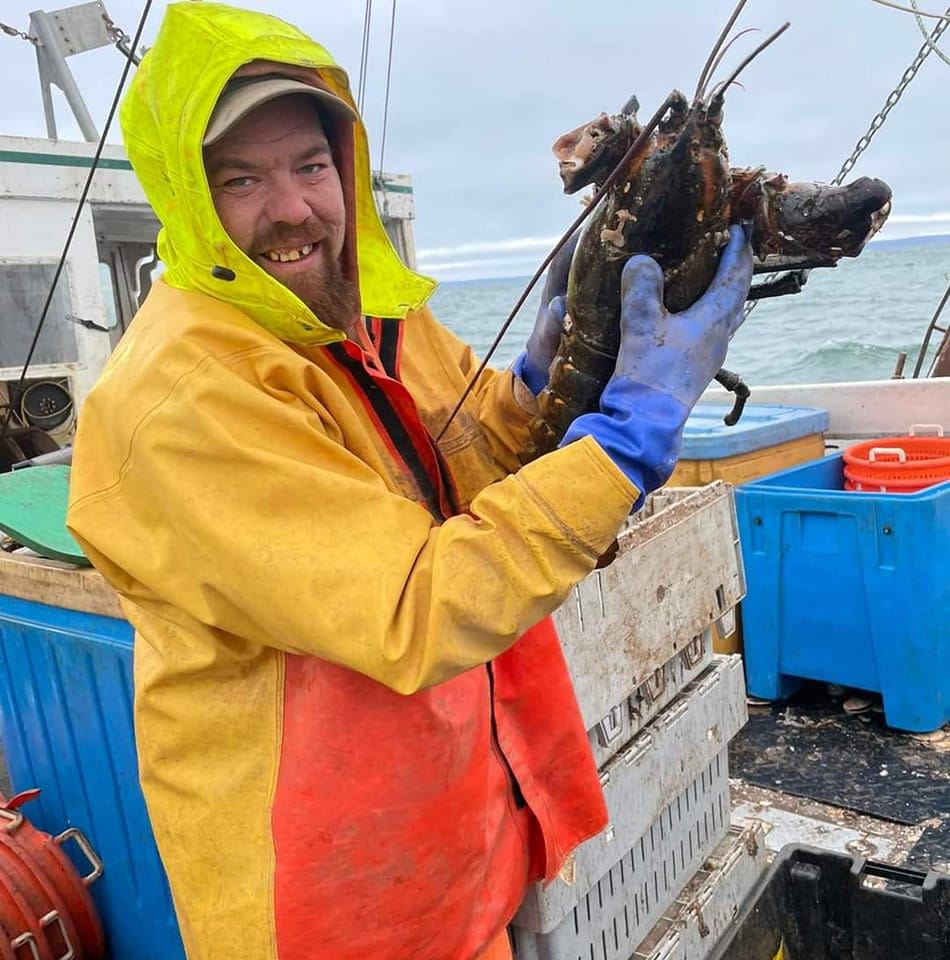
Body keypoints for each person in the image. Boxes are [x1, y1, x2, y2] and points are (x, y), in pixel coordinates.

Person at [66, 4, 752, 960]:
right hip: (323, 900)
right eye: (243, 180)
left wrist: (533, 389)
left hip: (451, 831)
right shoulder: (176, 403)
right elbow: (417, 605)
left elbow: (471, 463)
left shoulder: (368, 307)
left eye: (311, 165)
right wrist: (628, 441)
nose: (296, 207)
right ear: (187, 197)